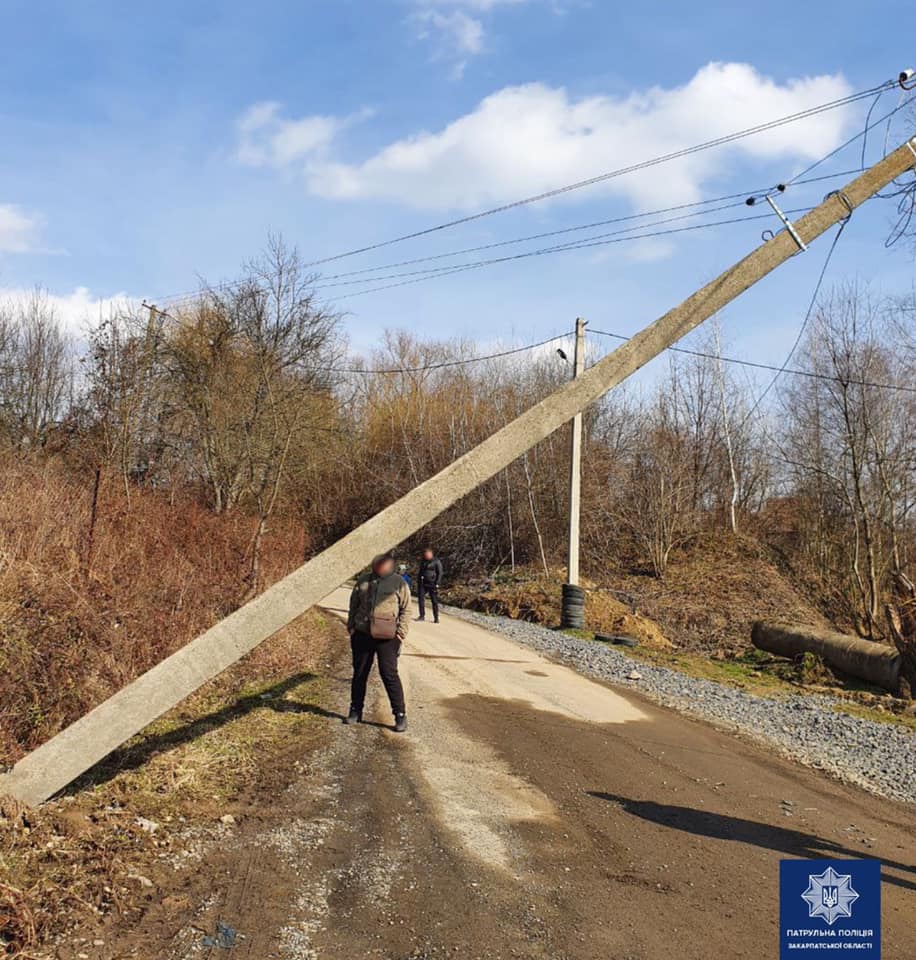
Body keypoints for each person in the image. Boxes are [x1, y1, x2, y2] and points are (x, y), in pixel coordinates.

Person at [346, 553, 410, 732]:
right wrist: (351, 626)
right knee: (360, 673)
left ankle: (400, 715)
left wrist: (400, 634)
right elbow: (353, 604)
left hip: (388, 638)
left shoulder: (399, 582)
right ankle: (355, 710)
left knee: (389, 674)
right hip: (362, 634)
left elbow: (406, 609)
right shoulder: (363, 580)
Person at [417, 547, 443, 623]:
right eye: (425, 555)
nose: (427, 556)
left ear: (431, 554)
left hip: (432, 583)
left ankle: (436, 618)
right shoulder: (423, 561)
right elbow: (420, 571)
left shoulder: (436, 561)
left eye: (428, 555)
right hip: (423, 583)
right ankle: (422, 615)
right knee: (421, 599)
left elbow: (440, 573)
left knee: (434, 601)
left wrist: (437, 583)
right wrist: (419, 580)